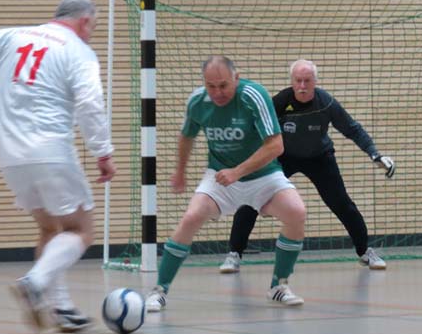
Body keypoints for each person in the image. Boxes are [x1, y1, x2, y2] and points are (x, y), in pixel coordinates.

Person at [0, 0, 116, 333]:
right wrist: (102, 151)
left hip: (10, 157)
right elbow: (90, 103)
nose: (92, 33)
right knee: (80, 231)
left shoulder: (12, 36)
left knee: (49, 229)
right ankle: (35, 281)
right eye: (94, 27)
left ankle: (60, 309)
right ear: (85, 20)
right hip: (51, 151)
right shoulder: (78, 50)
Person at [145, 55, 307, 312]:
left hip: (263, 175)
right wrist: (180, 172)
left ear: (237, 78)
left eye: (223, 85)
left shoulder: (253, 95)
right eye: (211, 86)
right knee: (191, 217)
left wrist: (238, 171)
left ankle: (279, 285)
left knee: (296, 213)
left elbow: (276, 145)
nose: (217, 92)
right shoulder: (198, 102)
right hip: (220, 176)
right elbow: (187, 136)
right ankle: (160, 290)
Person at [219, 59, 395, 274]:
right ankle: (234, 254)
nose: (302, 86)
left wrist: (375, 154)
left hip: (319, 157)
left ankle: (365, 251)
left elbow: (352, 129)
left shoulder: (326, 103)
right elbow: (256, 129)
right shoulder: (280, 103)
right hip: (282, 157)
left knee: (341, 203)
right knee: (250, 200)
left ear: (315, 82)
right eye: (298, 81)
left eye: (307, 81)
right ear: (292, 82)